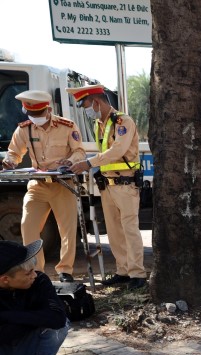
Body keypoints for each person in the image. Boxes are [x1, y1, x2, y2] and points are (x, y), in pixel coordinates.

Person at [66, 84, 147, 290]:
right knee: (114, 232)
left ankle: (137, 274)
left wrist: (89, 163)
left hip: (125, 183)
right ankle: (123, 271)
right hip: (107, 185)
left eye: (86, 105)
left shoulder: (122, 121)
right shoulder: (99, 124)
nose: (86, 110)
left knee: (130, 230)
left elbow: (117, 149)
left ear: (96, 102)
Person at [1, 90, 86, 283]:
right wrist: (10, 162)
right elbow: (14, 153)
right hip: (38, 185)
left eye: (38, 114)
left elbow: (79, 151)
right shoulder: (25, 129)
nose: (35, 118)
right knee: (27, 226)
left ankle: (65, 271)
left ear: (48, 109)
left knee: (67, 230)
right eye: (32, 115)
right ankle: (36, 271)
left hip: (63, 184)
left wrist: (70, 162)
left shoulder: (67, 126)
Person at [0, 240, 72, 355]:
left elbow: (57, 318)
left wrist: (6, 316)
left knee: (61, 326)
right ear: (5, 279)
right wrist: (35, 318)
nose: (35, 275)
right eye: (28, 273)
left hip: (24, 349)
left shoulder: (39, 281)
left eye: (34, 270)